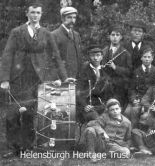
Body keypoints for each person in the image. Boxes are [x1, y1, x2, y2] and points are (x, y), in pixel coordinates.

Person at [0, 3, 69, 158]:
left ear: (41, 14)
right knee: (13, 114)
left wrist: (63, 77)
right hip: (18, 78)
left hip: (37, 79)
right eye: (32, 12)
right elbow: (7, 55)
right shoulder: (17, 32)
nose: (35, 15)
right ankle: (13, 147)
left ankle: (28, 146)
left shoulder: (46, 33)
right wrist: (4, 79)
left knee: (30, 115)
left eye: (38, 12)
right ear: (27, 14)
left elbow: (56, 56)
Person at [76, 45, 114, 123]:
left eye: (98, 55)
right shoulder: (84, 71)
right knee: (98, 120)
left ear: (102, 57)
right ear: (89, 57)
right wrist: (85, 105)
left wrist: (106, 105)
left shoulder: (105, 71)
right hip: (87, 106)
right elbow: (78, 92)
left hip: (100, 106)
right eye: (93, 55)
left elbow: (109, 92)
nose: (95, 58)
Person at [102, 25, 133, 109]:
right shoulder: (104, 51)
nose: (115, 37)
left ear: (121, 37)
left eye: (117, 35)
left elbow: (129, 71)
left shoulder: (126, 53)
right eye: (113, 35)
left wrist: (115, 67)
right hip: (105, 85)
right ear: (109, 36)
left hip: (120, 87)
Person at [125, 48, 155, 124]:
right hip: (137, 98)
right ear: (141, 58)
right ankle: (130, 132)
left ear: (152, 58)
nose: (147, 59)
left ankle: (136, 131)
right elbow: (131, 88)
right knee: (127, 112)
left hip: (149, 100)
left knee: (137, 112)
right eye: (145, 57)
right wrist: (133, 99)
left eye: (149, 57)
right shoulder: (136, 71)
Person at [52, 6, 82, 80]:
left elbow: (79, 57)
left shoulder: (76, 35)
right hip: (62, 80)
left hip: (76, 77)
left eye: (74, 18)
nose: (72, 20)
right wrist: (63, 77)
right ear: (62, 18)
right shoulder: (54, 35)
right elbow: (52, 61)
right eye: (69, 17)